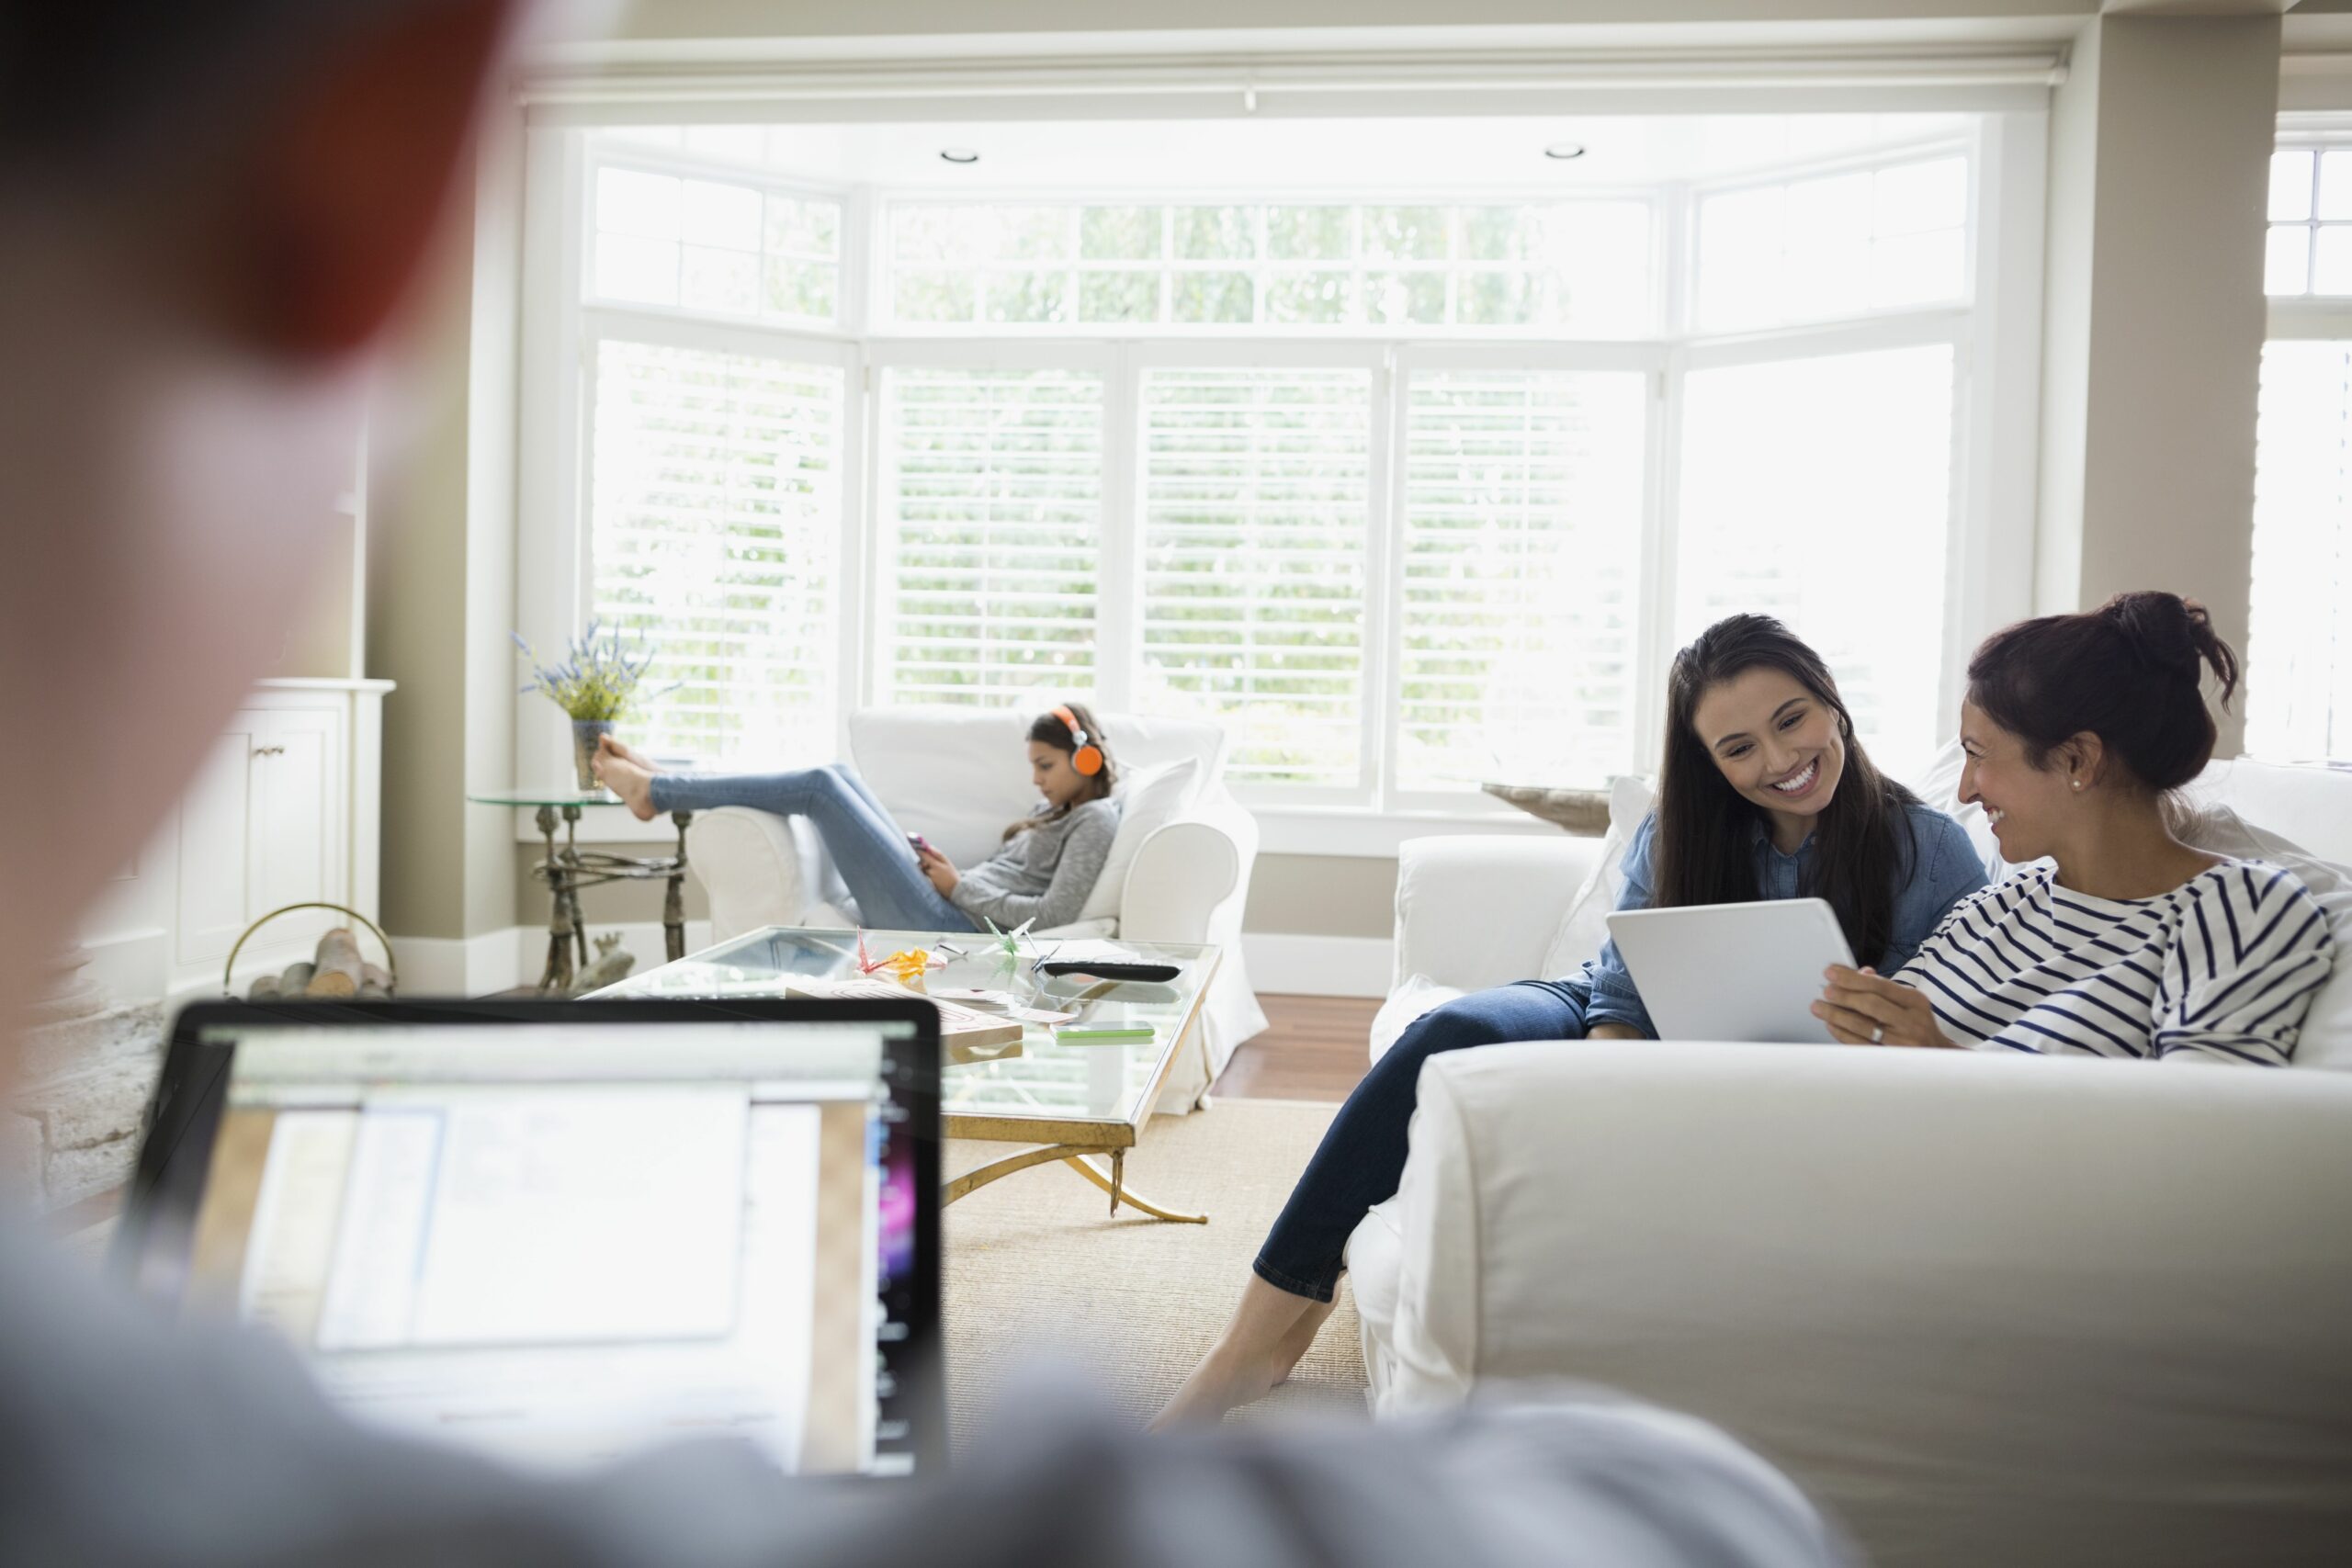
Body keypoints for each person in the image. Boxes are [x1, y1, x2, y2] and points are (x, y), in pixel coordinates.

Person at [0, 3, 1852, 1564]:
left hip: (983, 924)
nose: (1048, 756)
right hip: (986, 910)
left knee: (809, 775)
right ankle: (701, 795)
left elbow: (1045, 915)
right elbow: (1686, 1507)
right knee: (829, 793)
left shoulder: (1106, 814)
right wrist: (968, 858)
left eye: (1062, 747)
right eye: (1731, 740)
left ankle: (670, 789)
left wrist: (971, 878)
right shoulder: (1089, 811)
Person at [1155, 615, 1987, 1427]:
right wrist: (1607, 1078)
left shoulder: (1930, 849)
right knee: (1447, 1036)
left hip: (1800, 1081)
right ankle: (1248, 1348)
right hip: (1620, 1023)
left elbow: (1943, 1030)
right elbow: (1619, 993)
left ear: (1831, 703)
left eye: (1791, 720)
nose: (1780, 760)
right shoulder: (1683, 829)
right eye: (1738, 748)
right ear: (1710, 762)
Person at [1815, 592, 2334, 1065]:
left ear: (2077, 761)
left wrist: (1941, 1061)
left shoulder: (2238, 909)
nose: (1966, 791)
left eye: (1977, 755)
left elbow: (2197, 1143)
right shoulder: (1991, 910)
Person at [594, 704, 1121, 932]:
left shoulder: (1094, 822)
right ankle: (666, 784)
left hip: (953, 926)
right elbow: (1009, 879)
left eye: (1046, 766)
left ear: (1086, 759)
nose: (1037, 780)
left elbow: (1052, 917)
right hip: (947, 902)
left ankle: (659, 792)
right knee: (837, 773)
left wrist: (957, 888)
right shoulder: (1054, 812)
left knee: (820, 789)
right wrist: (944, 872)